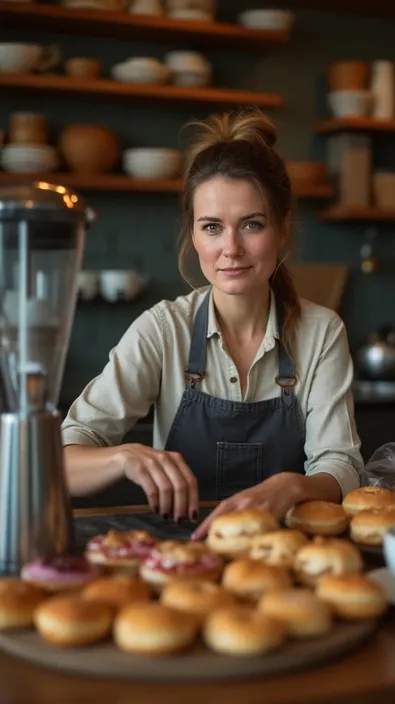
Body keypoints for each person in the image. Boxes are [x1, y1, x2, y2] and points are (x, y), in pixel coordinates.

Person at [61, 108, 363, 539]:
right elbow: (62, 461)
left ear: (281, 229)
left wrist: (292, 485)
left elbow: (343, 466)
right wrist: (122, 457)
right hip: (180, 558)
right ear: (194, 235)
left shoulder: (321, 331)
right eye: (213, 227)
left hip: (281, 553)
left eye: (252, 225)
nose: (231, 248)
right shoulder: (162, 330)